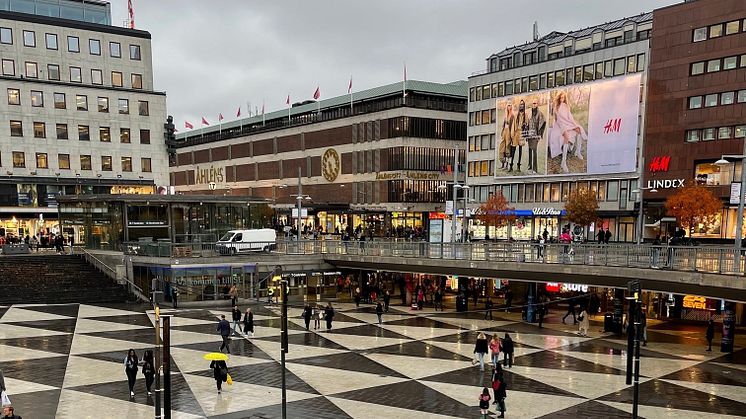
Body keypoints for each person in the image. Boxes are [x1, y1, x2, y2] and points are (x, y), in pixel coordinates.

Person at [548, 91, 587, 173]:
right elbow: (558, 121)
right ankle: (563, 162)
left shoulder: (566, 106)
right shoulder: (556, 107)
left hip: (567, 123)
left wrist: (574, 124)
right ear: (558, 98)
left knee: (579, 129)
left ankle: (578, 152)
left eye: (564, 97)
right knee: (566, 137)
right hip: (559, 126)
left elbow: (570, 117)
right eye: (561, 97)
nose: (562, 99)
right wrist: (563, 129)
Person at [526, 98, 546, 174]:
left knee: (534, 151)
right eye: (533, 103)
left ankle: (535, 169)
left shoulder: (540, 113)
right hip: (529, 134)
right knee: (529, 150)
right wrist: (526, 134)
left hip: (535, 135)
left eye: (535, 103)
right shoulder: (529, 112)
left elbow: (543, 122)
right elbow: (527, 123)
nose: (534, 105)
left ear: (537, 104)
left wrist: (540, 134)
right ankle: (530, 165)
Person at [509, 100, 528, 173]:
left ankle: (518, 166)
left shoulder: (525, 115)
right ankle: (511, 166)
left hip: (521, 134)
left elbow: (527, 124)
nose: (521, 106)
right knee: (513, 150)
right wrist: (512, 135)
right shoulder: (516, 115)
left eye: (522, 104)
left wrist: (525, 126)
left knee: (520, 150)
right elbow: (513, 125)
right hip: (515, 133)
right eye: (520, 104)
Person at [498, 103, 514, 170]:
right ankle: (502, 164)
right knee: (501, 149)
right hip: (504, 132)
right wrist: (502, 132)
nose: (509, 107)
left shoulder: (512, 116)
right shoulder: (505, 116)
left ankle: (507, 166)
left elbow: (513, 126)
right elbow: (503, 125)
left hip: (509, 133)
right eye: (508, 106)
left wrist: (511, 135)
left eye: (510, 106)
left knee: (508, 149)